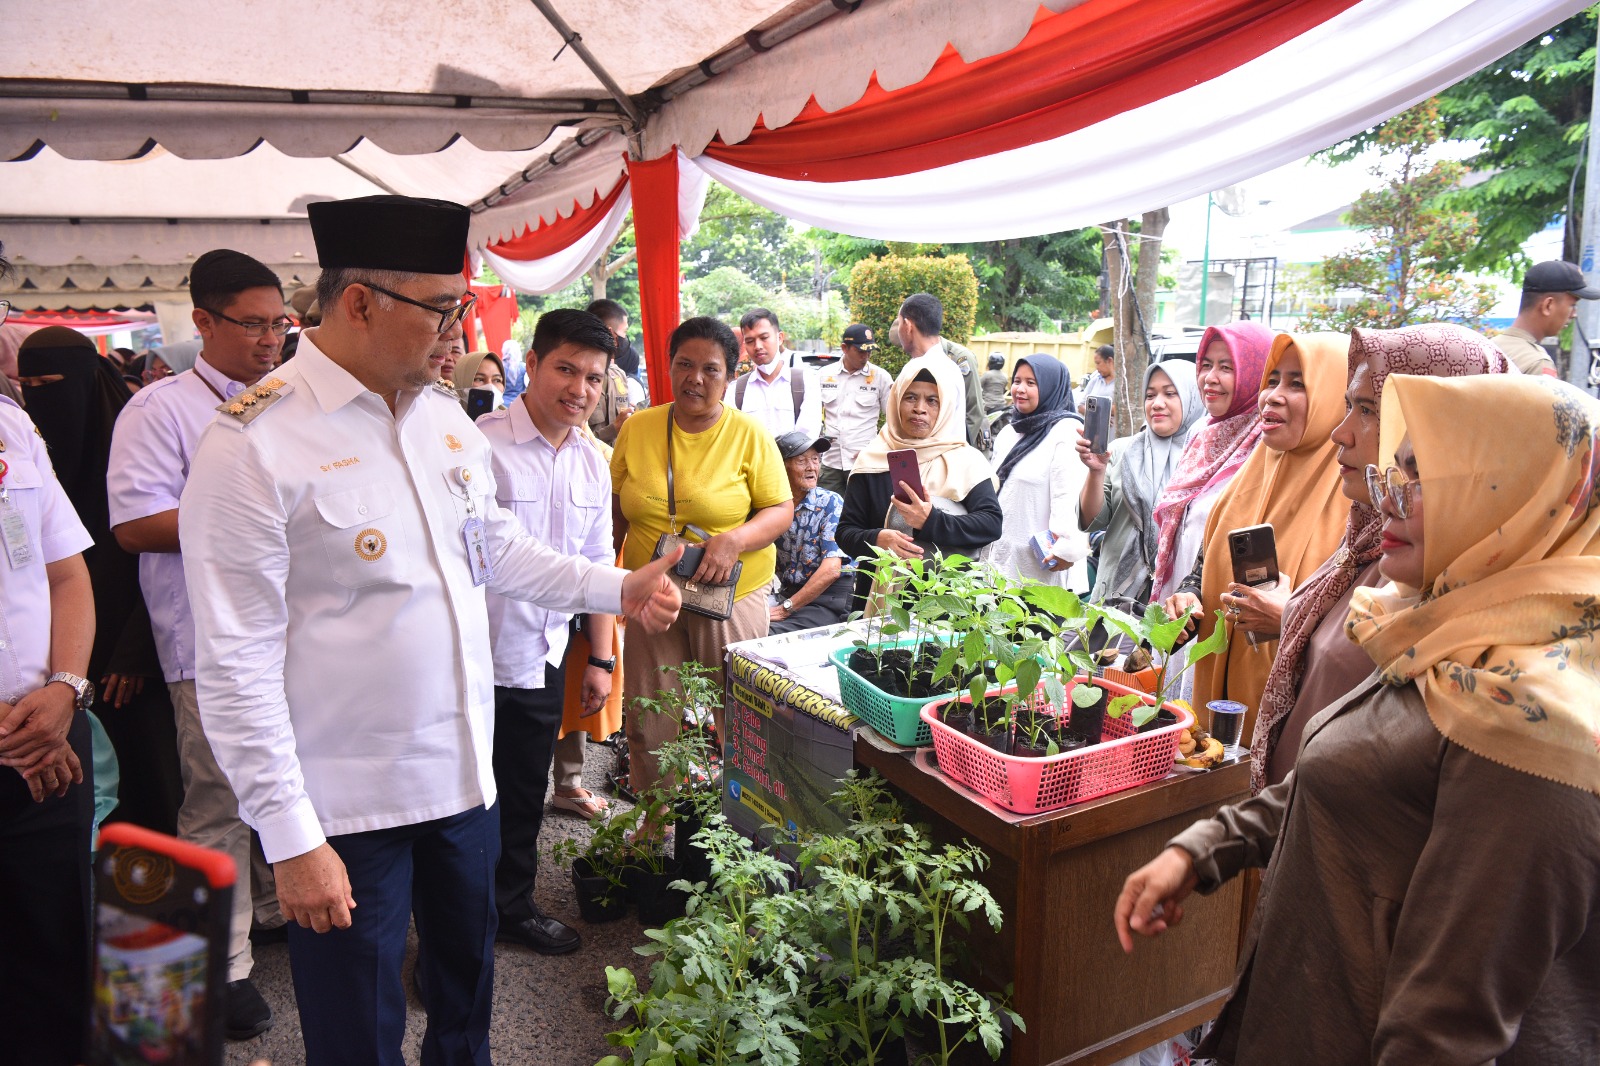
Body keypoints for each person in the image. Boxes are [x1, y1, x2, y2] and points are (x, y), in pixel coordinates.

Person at [179, 194, 685, 1066]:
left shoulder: (443, 418)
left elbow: (499, 550)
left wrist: (616, 584)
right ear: (362, 302)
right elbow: (234, 663)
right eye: (442, 305)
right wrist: (292, 839)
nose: (459, 325)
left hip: (461, 778)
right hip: (347, 805)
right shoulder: (253, 444)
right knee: (358, 1032)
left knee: (466, 1002)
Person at [1115, 373, 1600, 1064]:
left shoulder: (1532, 726)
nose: (1386, 500)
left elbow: (1444, 1031)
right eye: (1393, 473)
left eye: (1421, 479)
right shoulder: (1441, 633)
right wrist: (1204, 848)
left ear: (1520, 501)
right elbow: (1357, 776)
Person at [107, 248, 289, 1039]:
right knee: (216, 795)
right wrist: (246, 514)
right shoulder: (161, 411)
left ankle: (270, 911)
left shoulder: (287, 401)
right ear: (205, 323)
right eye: (253, 324)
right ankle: (217, 970)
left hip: (293, 630)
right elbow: (134, 525)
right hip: (208, 638)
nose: (272, 339)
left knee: (279, 779)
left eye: (281, 322)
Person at [1248, 323, 1509, 793]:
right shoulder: (1368, 537)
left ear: (1441, 427)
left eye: (1368, 410)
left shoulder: (1455, 583)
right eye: (1349, 406)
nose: (1340, 433)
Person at [478, 308, 619, 958]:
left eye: (593, 377)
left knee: (523, 795)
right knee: (462, 810)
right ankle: (457, 937)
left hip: (542, 658)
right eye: (566, 369)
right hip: (472, 660)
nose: (579, 389)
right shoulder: (480, 444)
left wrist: (603, 659)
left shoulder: (594, 463)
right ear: (530, 365)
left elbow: (595, 568)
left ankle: (512, 909)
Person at [611, 315, 792, 796]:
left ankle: (746, 827)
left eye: (710, 369)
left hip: (728, 595)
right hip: (653, 593)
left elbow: (780, 508)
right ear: (667, 367)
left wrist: (734, 538)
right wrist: (610, 584)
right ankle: (653, 821)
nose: (695, 378)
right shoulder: (638, 428)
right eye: (684, 364)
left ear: (731, 376)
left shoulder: (751, 434)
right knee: (650, 715)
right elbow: (615, 508)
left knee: (738, 715)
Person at [19, 327, 180, 834]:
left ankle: (150, 903)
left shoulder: (129, 443)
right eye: (32, 385)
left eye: (55, 384)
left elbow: (155, 557)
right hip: (54, 662)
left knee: (149, 784)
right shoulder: (29, 447)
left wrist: (136, 652)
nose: (47, 398)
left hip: (128, 655)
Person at [1163, 333, 1351, 723]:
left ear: (1335, 396)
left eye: (1297, 383)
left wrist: (1288, 618)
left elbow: (1356, 632)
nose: (1274, 395)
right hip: (1219, 707)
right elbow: (1206, 566)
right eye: (1272, 380)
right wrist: (1189, 599)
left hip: (1295, 717)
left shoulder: (1356, 499)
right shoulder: (1248, 475)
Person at [0, 390, 97, 1066]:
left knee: (53, 950)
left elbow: (65, 575)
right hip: (25, 734)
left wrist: (66, 687)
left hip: (47, 736)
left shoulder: (9, 425)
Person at [837, 355, 1002, 590]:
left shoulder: (965, 460)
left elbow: (991, 524)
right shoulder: (872, 459)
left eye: (932, 400)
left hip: (948, 599)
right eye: (910, 397)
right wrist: (876, 539)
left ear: (944, 407)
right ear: (895, 401)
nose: (919, 409)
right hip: (881, 598)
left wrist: (931, 520)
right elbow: (845, 532)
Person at [1147, 321, 1274, 605]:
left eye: (1227, 368)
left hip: (1226, 600)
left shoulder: (1265, 442)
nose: (1210, 378)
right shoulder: (1202, 431)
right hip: (1180, 596)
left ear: (1257, 372)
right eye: (1206, 365)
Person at [1077, 359, 1205, 604]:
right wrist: (1096, 471)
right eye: (1150, 395)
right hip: (1115, 597)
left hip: (1177, 600)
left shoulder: (1207, 462)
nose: (1157, 403)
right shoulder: (1122, 451)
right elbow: (1091, 521)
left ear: (1192, 398)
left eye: (1170, 393)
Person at [981, 353, 1090, 590]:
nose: (1020, 389)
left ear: (1051, 387)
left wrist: (1064, 550)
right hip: (999, 563)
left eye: (1031, 383)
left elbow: (1068, 498)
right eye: (1017, 381)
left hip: (1043, 570)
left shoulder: (1067, 432)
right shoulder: (1011, 432)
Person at [769, 429, 855, 635]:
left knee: (768, 634)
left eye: (815, 459)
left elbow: (832, 569)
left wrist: (785, 608)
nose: (811, 467)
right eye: (801, 461)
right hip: (790, 594)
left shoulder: (830, 503)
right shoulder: (769, 507)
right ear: (780, 467)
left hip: (829, 599)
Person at [890, 293, 986, 450]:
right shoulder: (949, 367)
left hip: (927, 459)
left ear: (907, 326)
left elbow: (973, 413)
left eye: (899, 323)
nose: (920, 409)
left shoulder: (932, 366)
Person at [816, 322, 892, 493]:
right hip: (830, 462)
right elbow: (811, 416)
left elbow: (894, 421)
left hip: (864, 463)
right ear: (844, 348)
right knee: (829, 515)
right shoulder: (824, 375)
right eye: (860, 351)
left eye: (869, 351)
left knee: (863, 516)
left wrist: (879, 448)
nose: (866, 356)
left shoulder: (880, 377)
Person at [1493, 259, 1598, 377]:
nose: (1574, 314)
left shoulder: (1488, 345)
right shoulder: (1537, 362)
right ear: (1548, 305)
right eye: (1572, 305)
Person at [733, 308, 822, 438]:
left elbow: (807, 437)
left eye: (764, 338)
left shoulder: (806, 382)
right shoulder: (736, 390)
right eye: (750, 341)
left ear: (779, 338)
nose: (757, 346)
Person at [579, 299, 634, 445]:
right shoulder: (579, 378)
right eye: (624, 332)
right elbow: (572, 437)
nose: (625, 339)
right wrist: (613, 429)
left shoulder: (619, 375)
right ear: (612, 335)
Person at [1079, 343, 1116, 412]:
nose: (1097, 367)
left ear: (1109, 361)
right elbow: (1081, 406)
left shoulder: (1122, 384)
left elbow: (1124, 409)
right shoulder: (1095, 381)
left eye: (1098, 363)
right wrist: (1093, 413)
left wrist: (1097, 410)